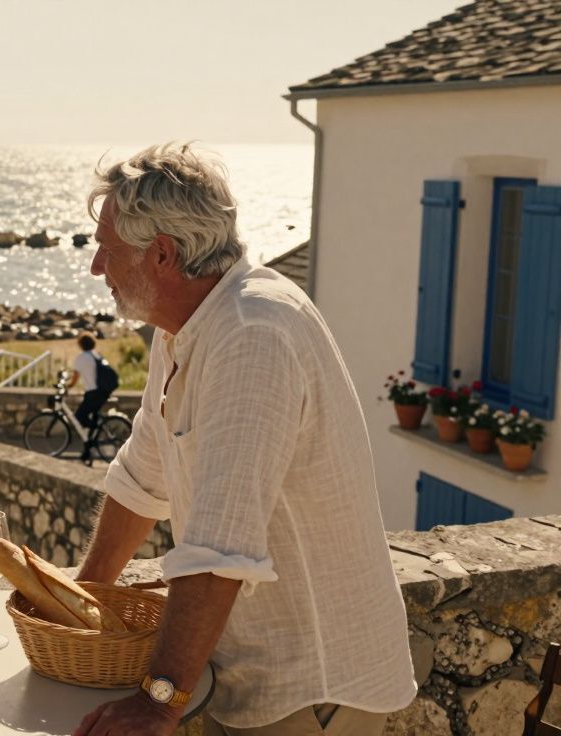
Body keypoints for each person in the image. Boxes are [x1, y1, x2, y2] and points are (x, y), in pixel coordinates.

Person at [72, 143, 414, 736]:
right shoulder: (183, 327)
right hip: (252, 681)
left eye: (107, 249)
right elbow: (142, 474)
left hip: (312, 691)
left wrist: (158, 702)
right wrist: (80, 599)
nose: (97, 267)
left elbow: (220, 546)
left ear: (161, 254)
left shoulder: (253, 333)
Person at [66, 332, 117, 463]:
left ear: (81, 345)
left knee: (79, 417)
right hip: (102, 392)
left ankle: (96, 434)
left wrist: (68, 386)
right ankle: (88, 450)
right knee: (91, 418)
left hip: (93, 393)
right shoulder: (96, 355)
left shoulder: (81, 358)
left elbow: (75, 379)